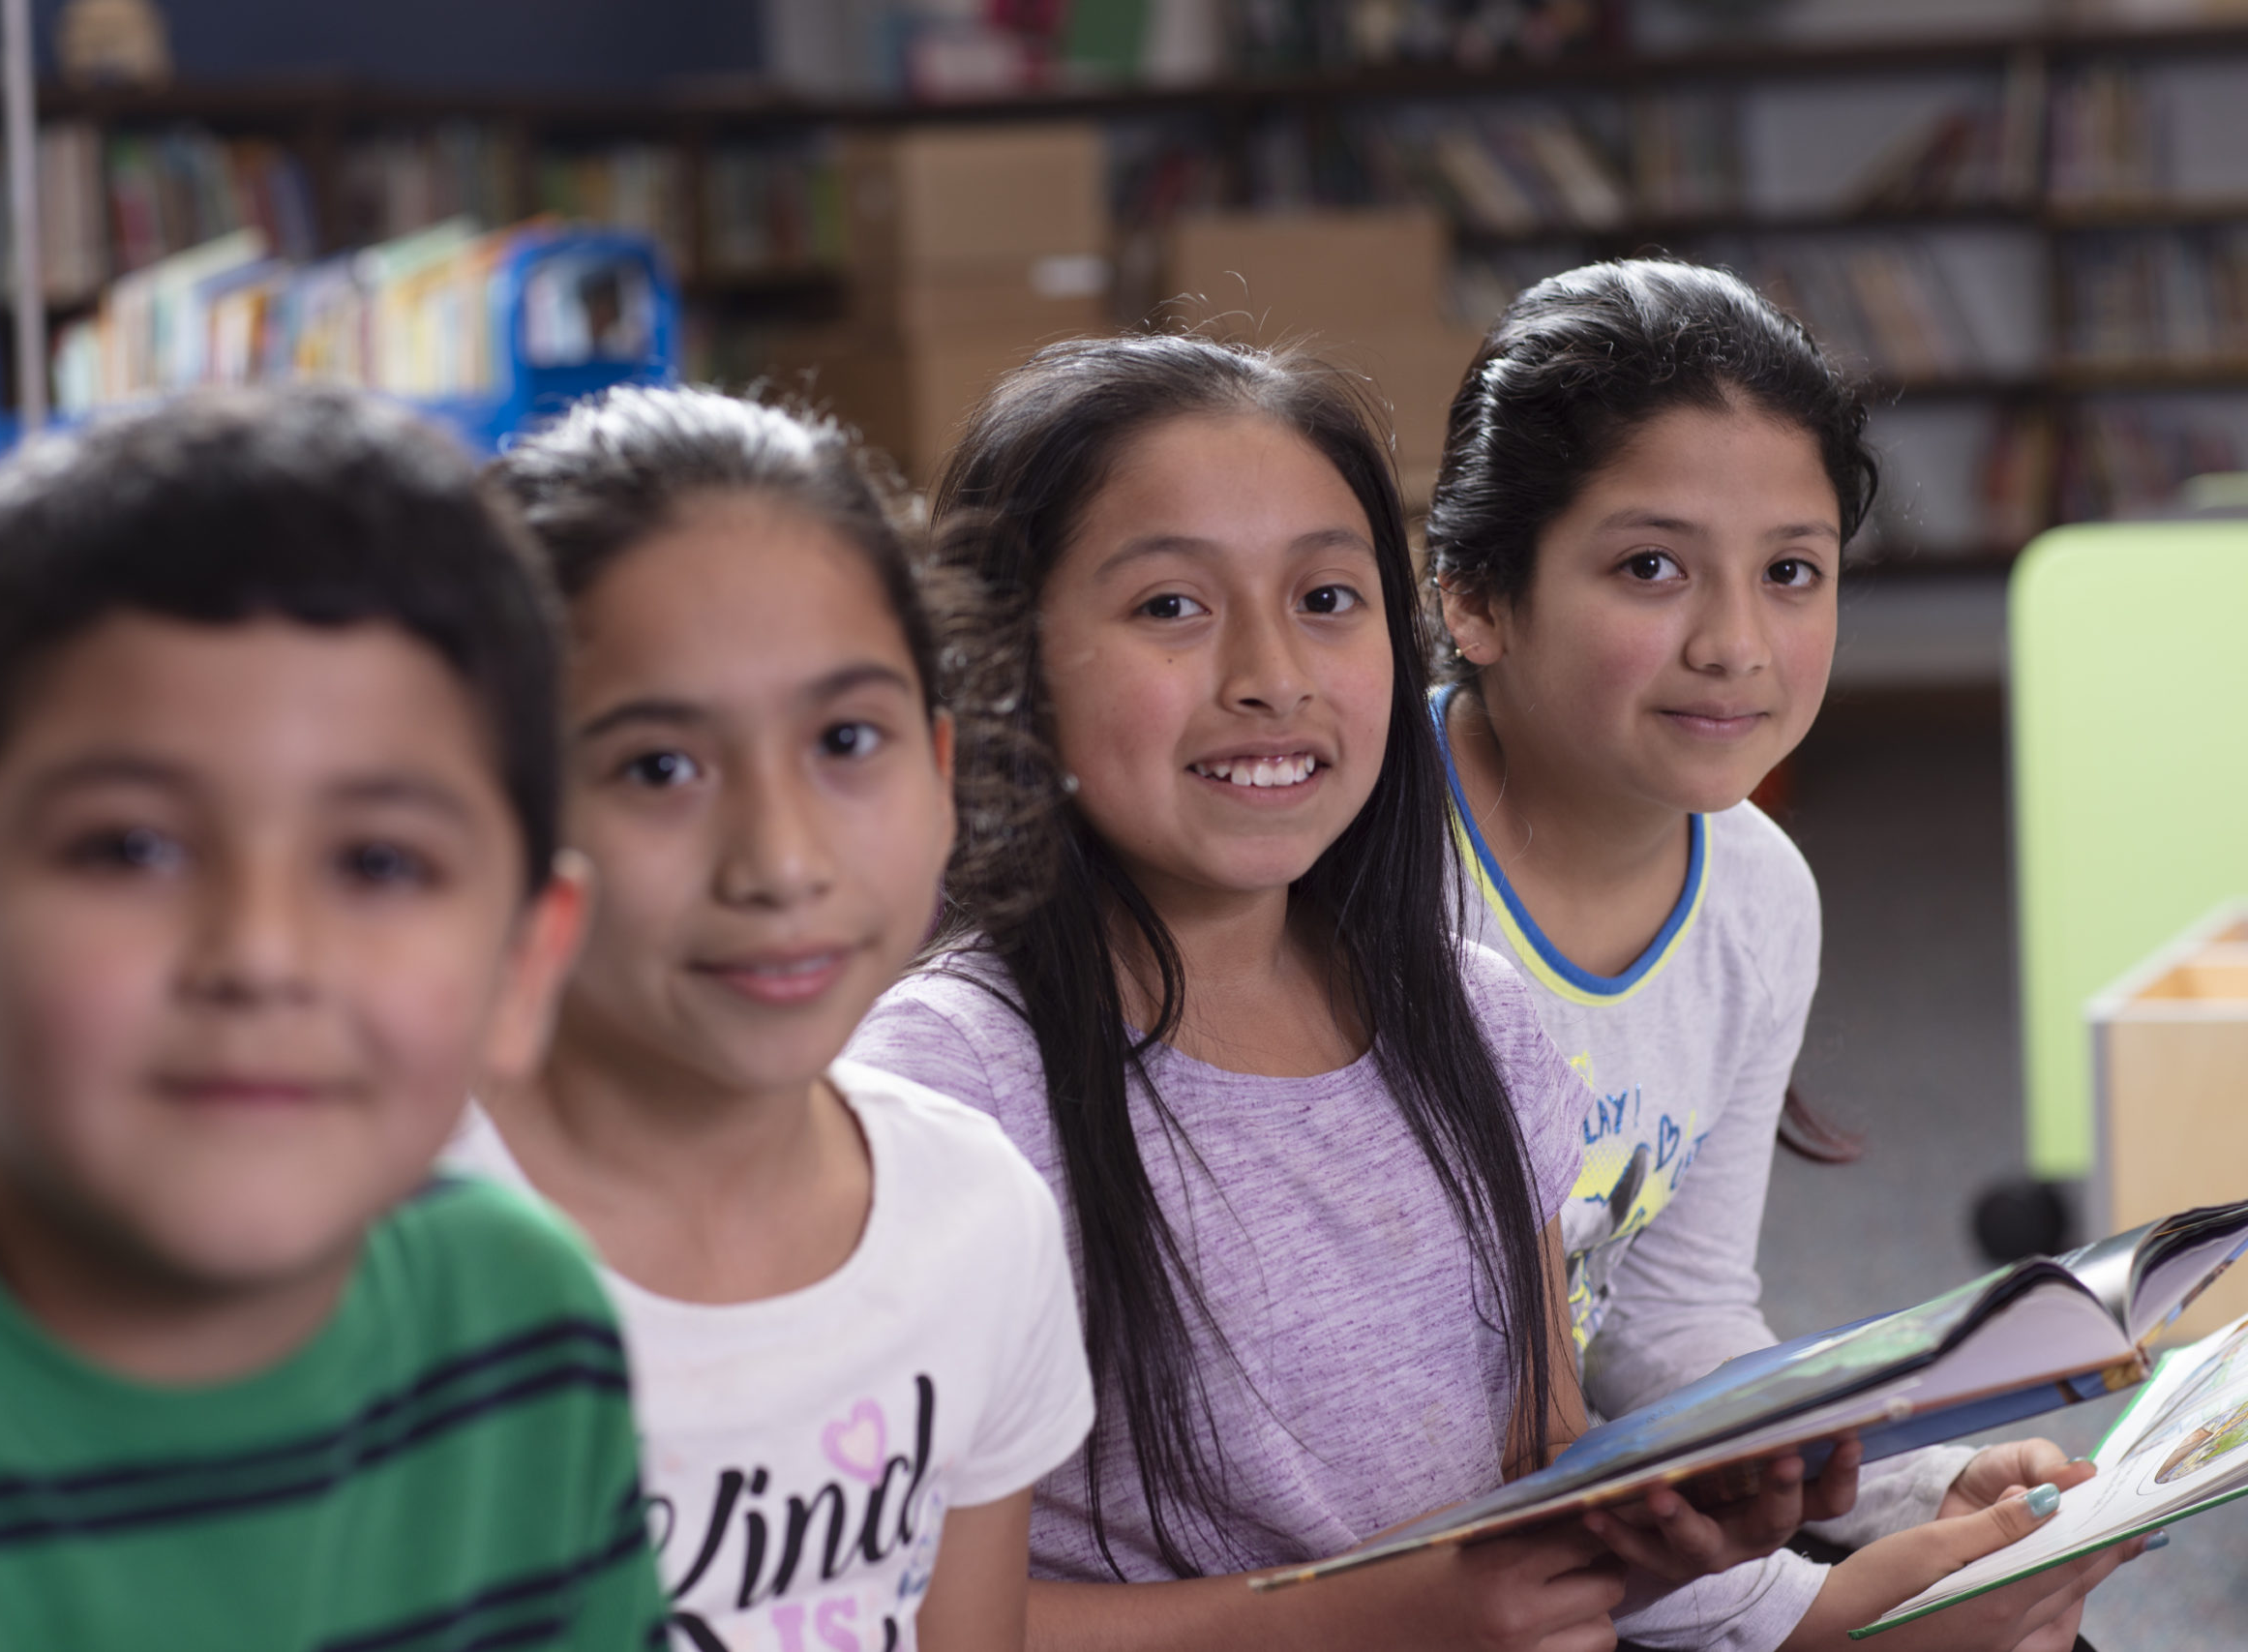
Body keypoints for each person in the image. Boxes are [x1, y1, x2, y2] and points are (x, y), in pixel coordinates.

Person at [839, 331, 1996, 1650]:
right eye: (1172, 606)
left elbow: (1548, 1479)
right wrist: (1389, 1615)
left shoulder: (1481, 1021)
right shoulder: (945, 1090)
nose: (1271, 675)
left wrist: (1758, 1571)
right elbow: (893, 1622)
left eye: (1326, 600)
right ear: (1008, 667)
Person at [0, 390, 667, 1649]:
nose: (259, 954)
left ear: (527, 964)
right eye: (130, 848)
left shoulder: (529, 1324)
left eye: (377, 863)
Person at [1424, 258, 2145, 1651]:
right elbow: (1416, 1444)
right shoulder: (1367, 886)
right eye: (1651, 567)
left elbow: (1671, 1322)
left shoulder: (1757, 890)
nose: (1737, 643)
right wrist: (1802, 1610)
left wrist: (1914, 1493)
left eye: (1792, 572)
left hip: (1600, 1499)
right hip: (1420, 1535)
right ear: (1476, 598)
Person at [451, 386, 1095, 1652]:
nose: (781, 862)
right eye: (659, 768)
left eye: (847, 739)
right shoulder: (366, 1248)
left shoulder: (975, 1218)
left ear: (944, 771)